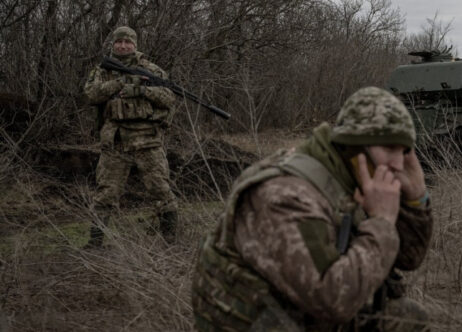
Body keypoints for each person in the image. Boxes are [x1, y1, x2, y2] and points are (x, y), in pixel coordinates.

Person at [192, 87, 433, 331]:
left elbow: (408, 257)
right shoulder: (286, 195)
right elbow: (332, 301)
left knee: (407, 318)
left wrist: (416, 199)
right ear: (355, 147)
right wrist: (381, 222)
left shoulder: (352, 177)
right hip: (265, 321)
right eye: (389, 149)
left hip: (303, 313)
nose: (398, 163)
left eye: (403, 151)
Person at [83, 26, 178, 246]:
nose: (123, 46)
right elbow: (90, 94)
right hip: (115, 141)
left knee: (161, 189)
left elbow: (169, 98)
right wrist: (120, 83)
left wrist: (142, 90)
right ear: (113, 44)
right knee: (106, 193)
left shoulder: (151, 70)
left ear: (135, 45)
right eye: (119, 42)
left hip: (148, 139)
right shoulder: (102, 70)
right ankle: (94, 243)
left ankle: (170, 240)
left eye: (128, 42)